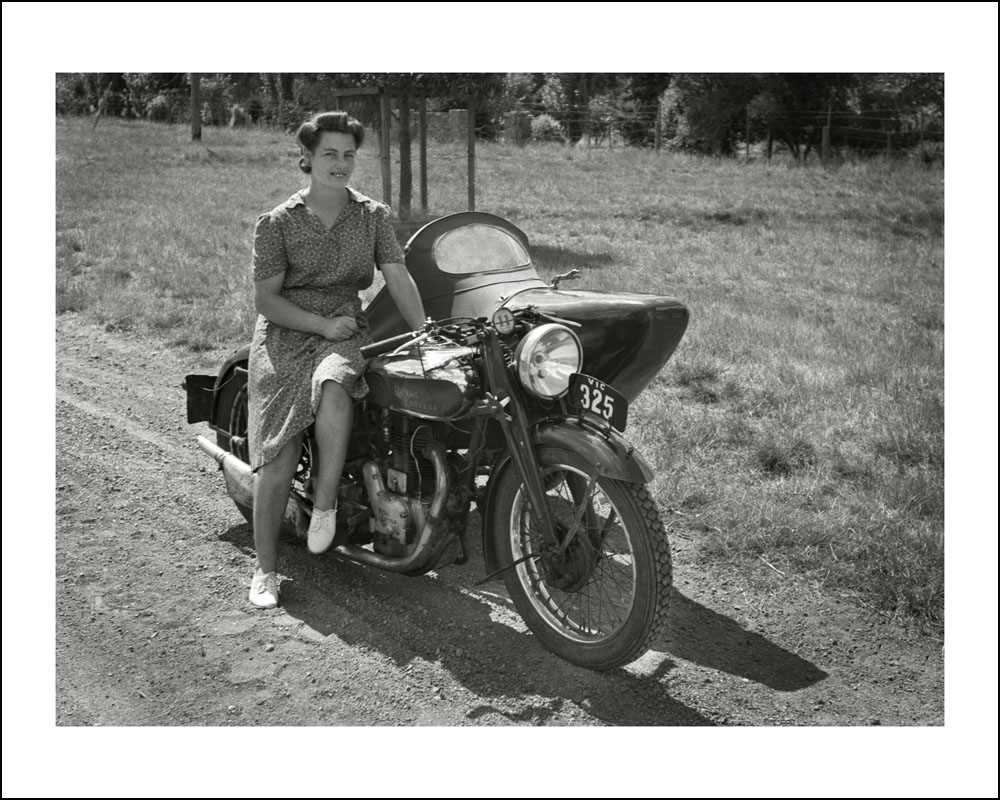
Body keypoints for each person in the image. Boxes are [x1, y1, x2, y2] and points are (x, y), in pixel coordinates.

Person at [247, 111, 427, 609]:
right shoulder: (277, 223)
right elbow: (267, 301)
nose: (341, 163)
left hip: (345, 329)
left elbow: (398, 276)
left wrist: (424, 332)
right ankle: (265, 572)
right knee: (279, 450)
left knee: (335, 383)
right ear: (306, 158)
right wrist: (320, 324)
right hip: (286, 333)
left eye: (349, 155)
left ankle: (325, 507)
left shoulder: (372, 216)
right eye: (330, 153)